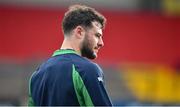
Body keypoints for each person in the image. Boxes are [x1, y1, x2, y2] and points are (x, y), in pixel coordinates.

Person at [28, 4, 112, 106]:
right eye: (97, 35)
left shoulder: (36, 75)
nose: (101, 43)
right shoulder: (87, 70)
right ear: (80, 32)